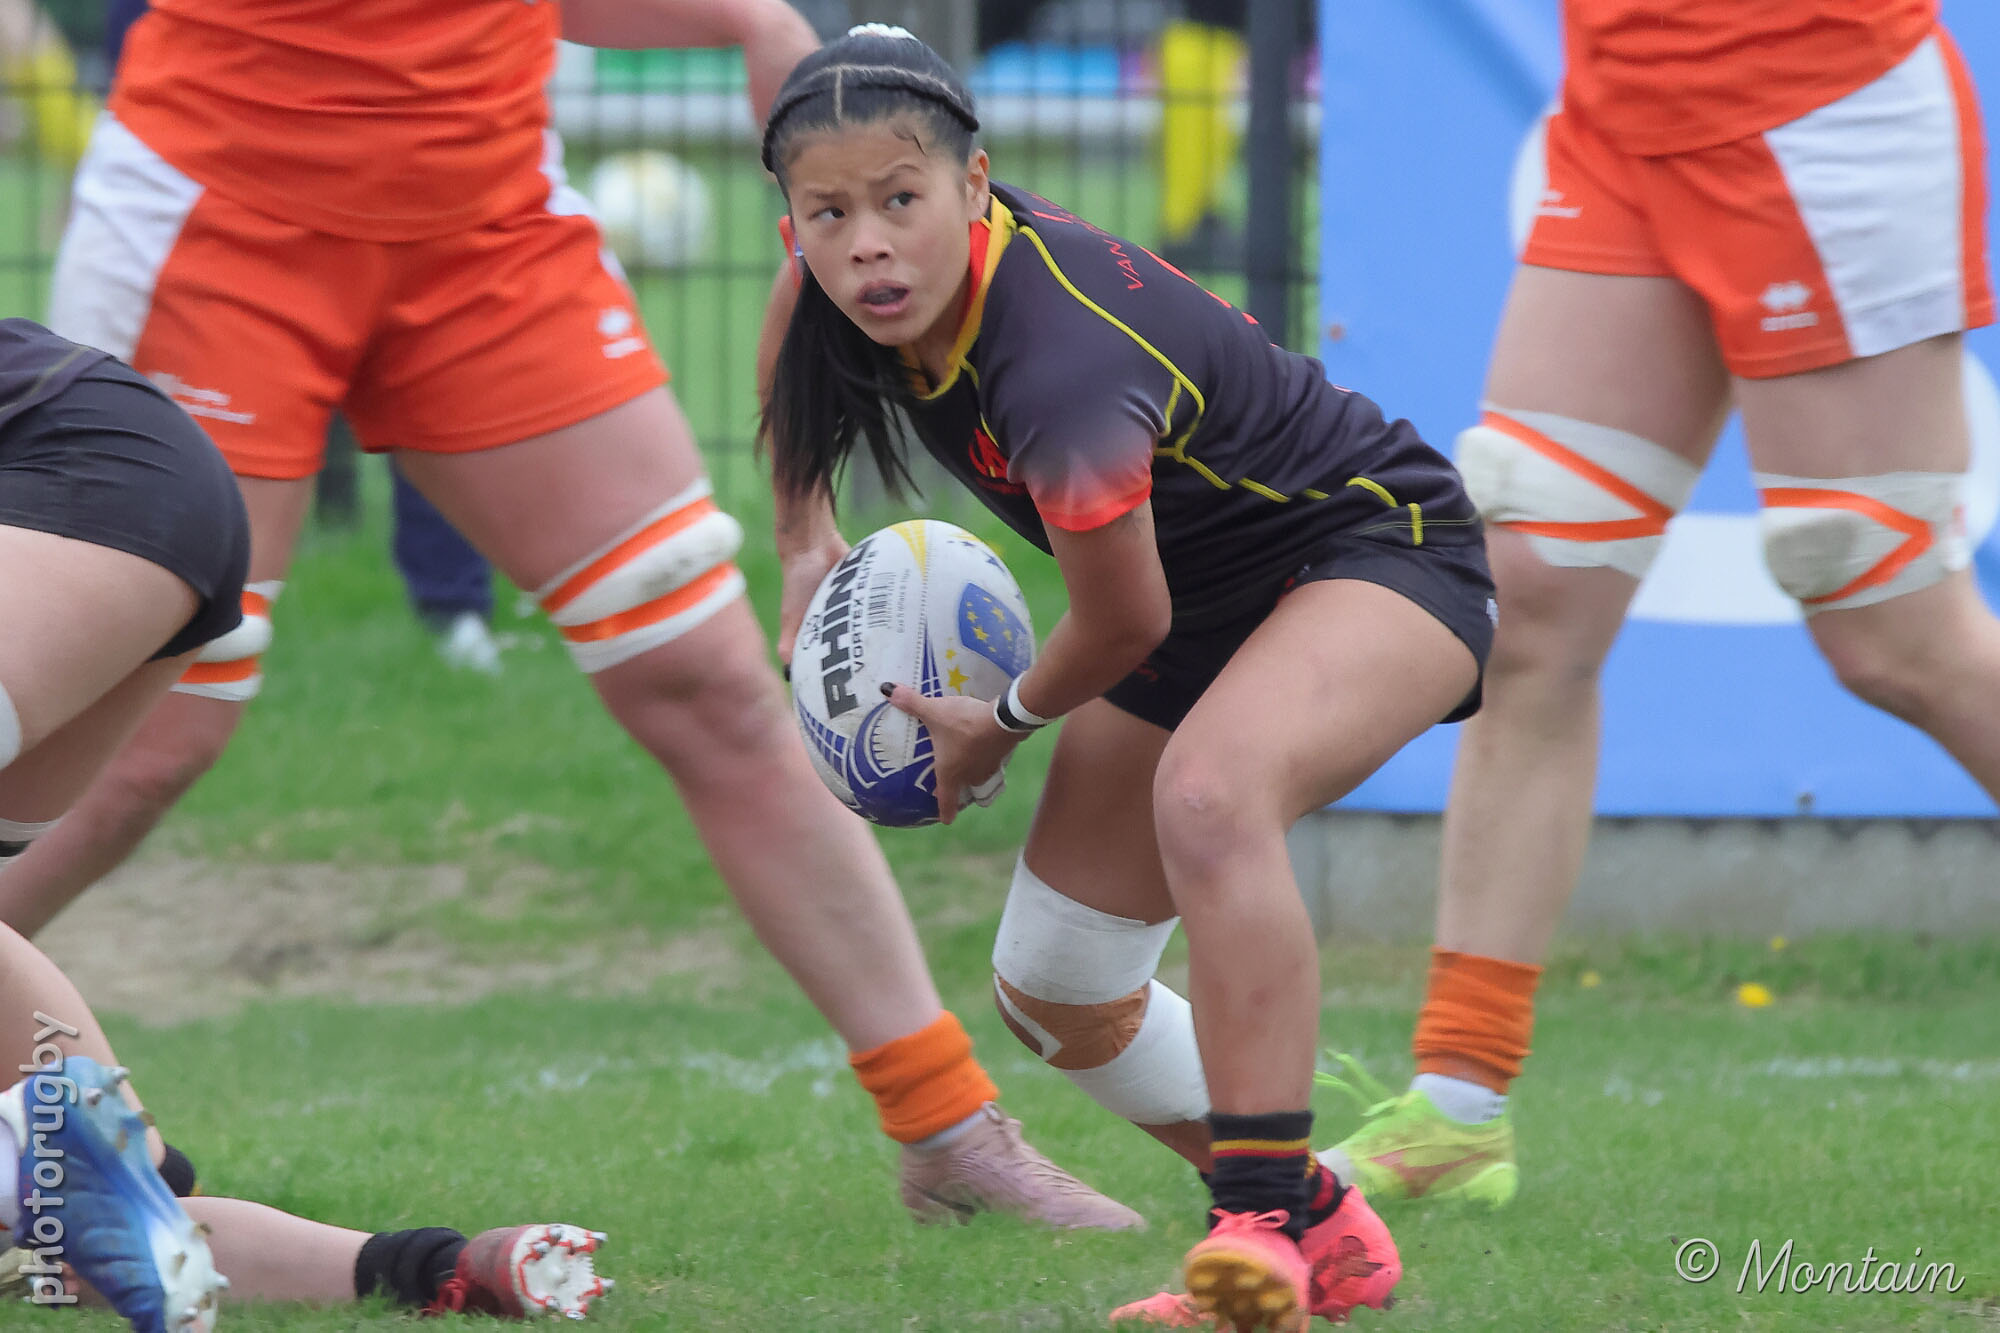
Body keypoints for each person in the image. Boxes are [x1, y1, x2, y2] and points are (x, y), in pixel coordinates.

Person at [7, 0, 1137, 1231]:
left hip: (482, 228)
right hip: (221, 217)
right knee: (154, 737)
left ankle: (949, 1131)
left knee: (706, 683)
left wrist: (743, 19)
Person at [757, 27, 1497, 1328]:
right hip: (1198, 602)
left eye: (900, 200)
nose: (868, 244)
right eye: (830, 214)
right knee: (1058, 982)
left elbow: (1121, 616)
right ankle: (1321, 1223)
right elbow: (790, 304)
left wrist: (998, 723)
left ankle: (1253, 1228)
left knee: (1210, 798)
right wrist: (801, 534)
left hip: (1377, 549)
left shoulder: (1061, 364)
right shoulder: (850, 274)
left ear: (974, 186)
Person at [1322, 0, 2000, 1208]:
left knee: (1890, 632)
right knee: (1528, 600)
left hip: (1819, 111)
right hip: (1622, 112)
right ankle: (1455, 1107)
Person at [0, 317, 605, 1331]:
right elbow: (128, 1236)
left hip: (69, 472)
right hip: (146, 479)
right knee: (107, 1217)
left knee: (69, 1183)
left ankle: (37, 1155)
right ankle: (443, 1269)